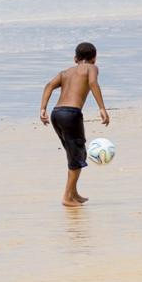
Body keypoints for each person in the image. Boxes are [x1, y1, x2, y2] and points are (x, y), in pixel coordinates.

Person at [40, 42, 110, 207]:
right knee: (76, 158)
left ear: (75, 58)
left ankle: (74, 193)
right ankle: (66, 197)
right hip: (71, 114)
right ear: (94, 58)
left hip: (57, 114)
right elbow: (93, 83)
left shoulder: (65, 72)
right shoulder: (91, 68)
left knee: (76, 155)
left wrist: (43, 109)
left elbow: (49, 86)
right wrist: (102, 108)